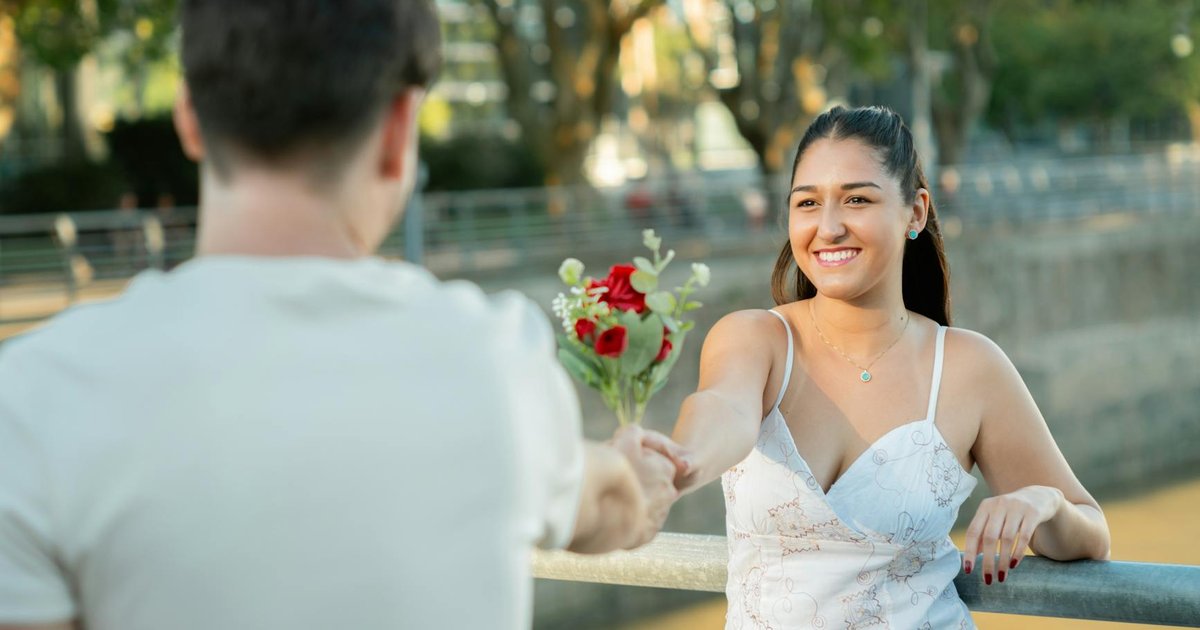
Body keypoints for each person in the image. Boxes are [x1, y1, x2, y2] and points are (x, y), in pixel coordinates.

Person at [0, 2, 688, 630]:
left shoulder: (32, 398)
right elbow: (611, 503)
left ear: (188, 117)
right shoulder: (492, 361)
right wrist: (635, 471)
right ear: (399, 129)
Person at [668, 106, 1110, 628]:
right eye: (807, 203)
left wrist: (1044, 502)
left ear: (916, 212)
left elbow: (1091, 531)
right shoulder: (754, 338)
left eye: (856, 199)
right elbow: (723, 411)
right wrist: (675, 464)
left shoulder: (970, 367)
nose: (828, 227)